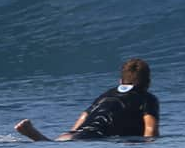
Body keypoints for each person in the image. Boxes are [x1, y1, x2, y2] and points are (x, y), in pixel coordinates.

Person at [15, 58, 160, 142]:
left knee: (61, 142)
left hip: (75, 134)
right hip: (96, 136)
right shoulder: (147, 98)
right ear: (148, 83)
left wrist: (72, 132)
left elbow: (84, 115)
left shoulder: (107, 94)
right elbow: (150, 129)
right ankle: (35, 135)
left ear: (120, 80)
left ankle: (41, 136)